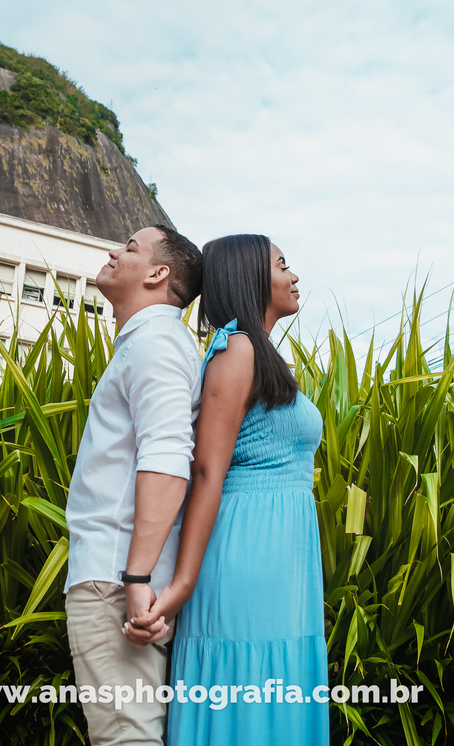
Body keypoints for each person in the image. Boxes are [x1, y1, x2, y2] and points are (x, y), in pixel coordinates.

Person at [129, 234, 329, 744]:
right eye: (282, 265)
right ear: (250, 276)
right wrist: (182, 584)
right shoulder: (236, 349)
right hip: (247, 553)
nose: (293, 276)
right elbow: (206, 471)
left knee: (273, 687)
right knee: (250, 688)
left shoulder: (258, 354)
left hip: (281, 559)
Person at [62, 224, 205, 746]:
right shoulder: (152, 342)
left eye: (129, 248)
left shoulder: (155, 343)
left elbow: (167, 457)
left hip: (115, 579)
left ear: (158, 273)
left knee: (126, 738)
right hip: (119, 576)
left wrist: (136, 576)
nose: (113, 252)